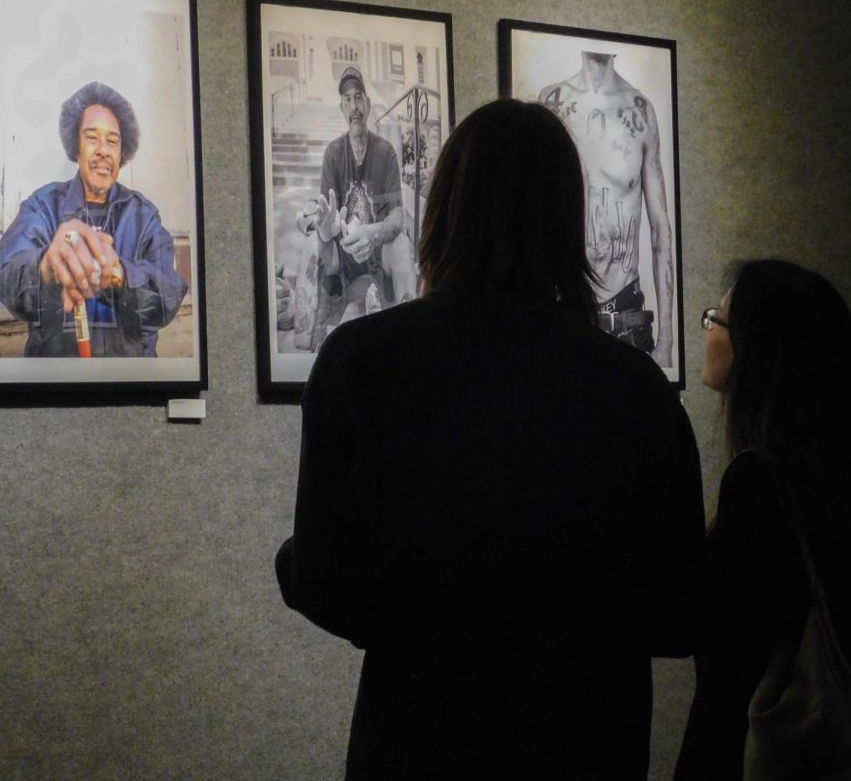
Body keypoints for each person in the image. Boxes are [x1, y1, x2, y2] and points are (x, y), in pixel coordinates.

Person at [275, 98, 705, 779]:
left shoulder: (361, 362)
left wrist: (297, 563)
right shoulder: (637, 392)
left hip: (419, 746)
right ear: (567, 217)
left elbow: (329, 583)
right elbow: (678, 614)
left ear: (446, 207)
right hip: (586, 746)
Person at [674, 259, 851, 779]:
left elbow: (727, 686)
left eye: (716, 320)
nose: (707, 332)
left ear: (758, 348)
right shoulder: (846, 479)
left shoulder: (757, 483)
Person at [0, 82, 188, 357]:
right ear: (76, 146)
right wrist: (46, 265)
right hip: (56, 383)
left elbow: (167, 299)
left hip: (131, 383)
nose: (102, 150)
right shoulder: (43, 205)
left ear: (122, 153)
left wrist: (119, 273)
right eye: (91, 137)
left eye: (112, 141)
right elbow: (6, 278)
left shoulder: (144, 216)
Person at [538, 51, 675, 366]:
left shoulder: (640, 111)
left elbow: (660, 230)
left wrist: (666, 342)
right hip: (562, 307)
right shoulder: (551, 102)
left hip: (626, 314)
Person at [292, 66, 416, 350]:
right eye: (347, 100)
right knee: (314, 243)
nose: (354, 106)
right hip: (343, 257)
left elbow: (397, 215)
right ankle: (309, 343)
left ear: (368, 104)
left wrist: (375, 232)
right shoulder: (334, 154)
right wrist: (325, 228)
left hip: (378, 255)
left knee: (400, 243)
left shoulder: (384, 152)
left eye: (358, 97)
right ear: (341, 109)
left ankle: (412, 343)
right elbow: (327, 215)